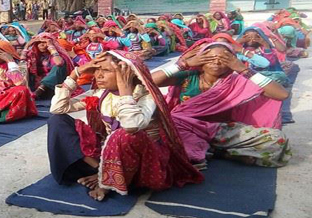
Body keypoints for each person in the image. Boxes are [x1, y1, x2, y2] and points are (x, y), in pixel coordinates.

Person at [47, 51, 203, 201]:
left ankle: (106, 180)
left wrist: (125, 90)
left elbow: (131, 126)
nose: (98, 75)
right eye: (96, 70)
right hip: (109, 153)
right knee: (57, 121)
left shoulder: (145, 95)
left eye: (106, 70)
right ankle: (100, 169)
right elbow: (58, 108)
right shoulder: (101, 94)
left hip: (143, 162)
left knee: (124, 134)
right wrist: (76, 73)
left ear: (127, 74)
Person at [152, 41, 291, 168]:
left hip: (219, 131)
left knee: (277, 139)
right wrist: (183, 64)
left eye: (224, 59)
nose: (216, 62)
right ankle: (207, 151)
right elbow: (148, 80)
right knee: (162, 130)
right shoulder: (188, 76)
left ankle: (214, 151)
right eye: (210, 58)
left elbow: (282, 94)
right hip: (184, 129)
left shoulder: (237, 80)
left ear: (232, 62)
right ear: (200, 61)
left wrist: (243, 69)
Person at [21, 33, 74, 100]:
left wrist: (51, 46)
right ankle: (25, 92)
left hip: (53, 85)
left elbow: (59, 63)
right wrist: (27, 46)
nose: (42, 45)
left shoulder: (57, 55)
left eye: (45, 42)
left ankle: (38, 92)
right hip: (36, 84)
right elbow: (22, 63)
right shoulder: (35, 55)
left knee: (59, 67)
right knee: (25, 65)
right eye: (39, 43)